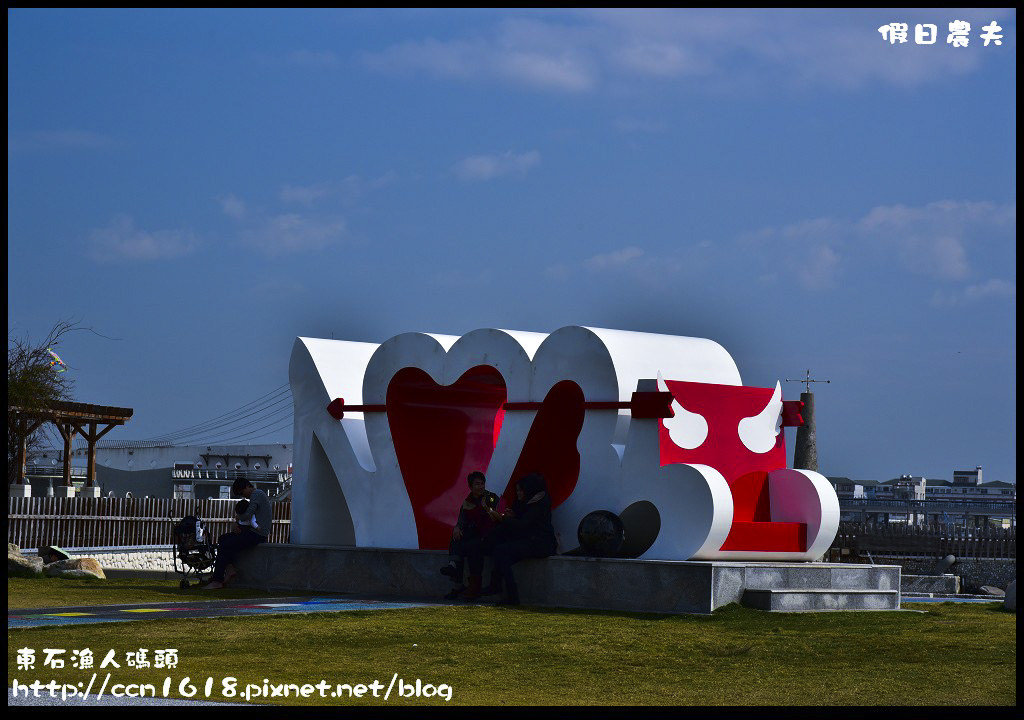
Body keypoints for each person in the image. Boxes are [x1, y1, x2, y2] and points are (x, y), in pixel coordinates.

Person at [480, 472, 558, 605]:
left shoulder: (539, 504)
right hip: (531, 540)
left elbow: (524, 524)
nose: (518, 494)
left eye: (520, 490)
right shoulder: (529, 502)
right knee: (500, 548)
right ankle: (498, 586)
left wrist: (504, 518)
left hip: (540, 543)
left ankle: (509, 593)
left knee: (502, 551)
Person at [201, 479, 271, 590]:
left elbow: (248, 514)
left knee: (225, 543)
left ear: (247, 486)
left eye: (242, 493)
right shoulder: (258, 495)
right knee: (223, 539)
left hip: (257, 534)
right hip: (255, 532)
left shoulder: (256, 494)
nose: (243, 496)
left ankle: (218, 579)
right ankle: (227, 570)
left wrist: (237, 518)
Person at [441, 471, 499, 601]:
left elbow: (495, 516)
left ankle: (474, 587)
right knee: (457, 538)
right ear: (470, 487)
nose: (480, 487)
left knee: (473, 546)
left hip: (488, 536)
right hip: (473, 536)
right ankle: (454, 571)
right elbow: (461, 521)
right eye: (477, 484)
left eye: (482, 483)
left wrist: (485, 507)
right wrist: (456, 528)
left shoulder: (491, 497)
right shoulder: (467, 502)